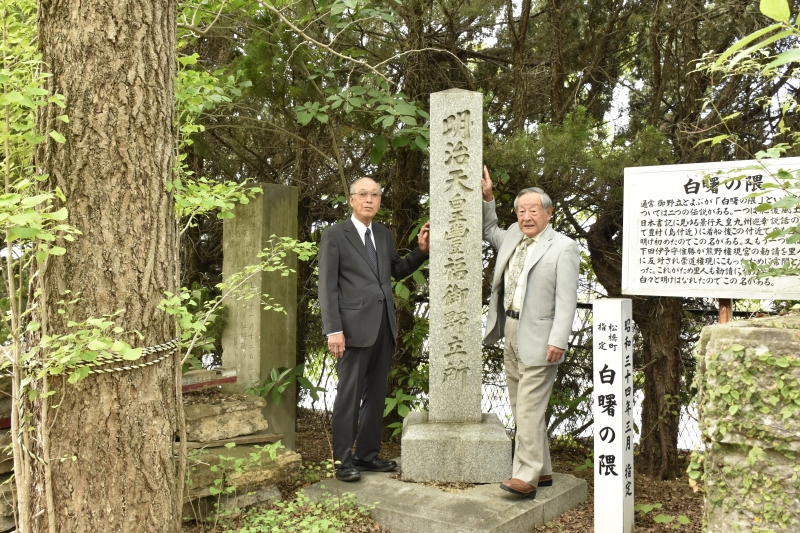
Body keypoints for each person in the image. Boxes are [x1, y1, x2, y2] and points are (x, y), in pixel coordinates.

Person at [318, 177, 430, 482]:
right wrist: (333, 330)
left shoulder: (382, 234)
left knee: (376, 394)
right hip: (351, 330)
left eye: (375, 195)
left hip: (383, 326)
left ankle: (366, 456)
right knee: (348, 396)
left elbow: (397, 271)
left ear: (380, 201)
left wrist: (421, 251)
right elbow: (327, 287)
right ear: (351, 200)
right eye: (363, 194)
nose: (369, 199)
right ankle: (343, 462)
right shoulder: (335, 235)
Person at [481, 166, 579, 499]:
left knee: (528, 408)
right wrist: (489, 198)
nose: (526, 216)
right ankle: (544, 470)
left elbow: (567, 301)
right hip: (509, 329)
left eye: (533, 210)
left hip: (541, 336)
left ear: (549, 214)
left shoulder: (563, 247)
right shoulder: (511, 235)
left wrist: (559, 340)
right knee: (519, 403)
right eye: (521, 210)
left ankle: (525, 477)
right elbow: (488, 228)